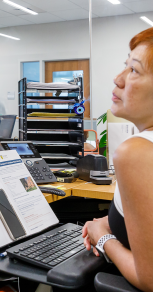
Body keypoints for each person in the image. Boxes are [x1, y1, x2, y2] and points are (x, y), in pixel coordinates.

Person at [82, 27, 153, 291]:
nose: (118, 78)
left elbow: (149, 278)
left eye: (133, 70)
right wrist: (110, 220)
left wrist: (104, 237)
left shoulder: (136, 151)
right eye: (125, 66)